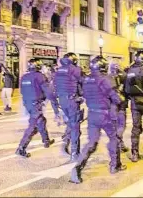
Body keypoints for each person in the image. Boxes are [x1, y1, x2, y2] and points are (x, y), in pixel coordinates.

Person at [70, 56, 126, 184]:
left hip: (92, 114)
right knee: (114, 138)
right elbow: (117, 98)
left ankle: (78, 167)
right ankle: (115, 165)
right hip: (105, 114)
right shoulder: (106, 79)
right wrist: (120, 96)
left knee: (91, 143)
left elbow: (83, 94)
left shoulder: (87, 79)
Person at [15, 59, 60, 157]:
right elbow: (48, 92)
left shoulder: (24, 77)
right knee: (33, 126)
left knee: (41, 121)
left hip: (28, 104)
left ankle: (46, 140)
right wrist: (55, 104)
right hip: (36, 104)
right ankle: (21, 148)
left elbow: (22, 91)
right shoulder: (39, 76)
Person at [54, 52, 83, 160]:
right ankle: (75, 152)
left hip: (62, 100)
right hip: (72, 100)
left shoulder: (58, 70)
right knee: (75, 125)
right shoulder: (75, 69)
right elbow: (82, 82)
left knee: (71, 122)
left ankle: (66, 139)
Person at [109, 62, 129, 153]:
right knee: (121, 125)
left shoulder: (107, 77)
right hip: (121, 104)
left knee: (115, 126)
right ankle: (118, 143)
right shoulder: (124, 76)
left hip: (111, 105)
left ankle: (119, 143)